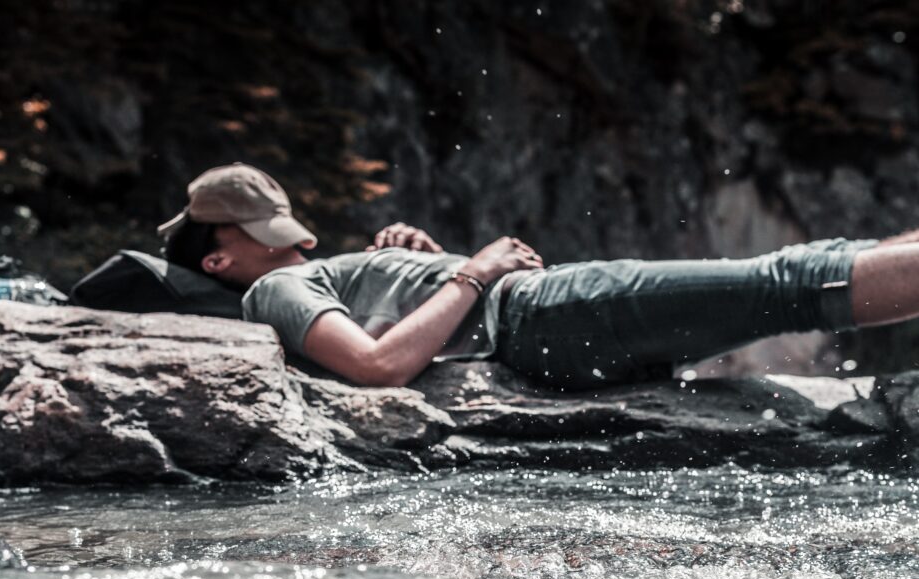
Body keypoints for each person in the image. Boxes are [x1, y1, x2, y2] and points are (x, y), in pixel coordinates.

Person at [159, 162, 919, 389]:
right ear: (222, 259)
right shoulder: (271, 290)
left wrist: (417, 267)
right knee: (786, 281)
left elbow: (397, 329)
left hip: (542, 315)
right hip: (542, 312)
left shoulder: (312, 274)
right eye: (265, 237)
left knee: (803, 270)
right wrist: (473, 272)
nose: (291, 248)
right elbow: (377, 365)